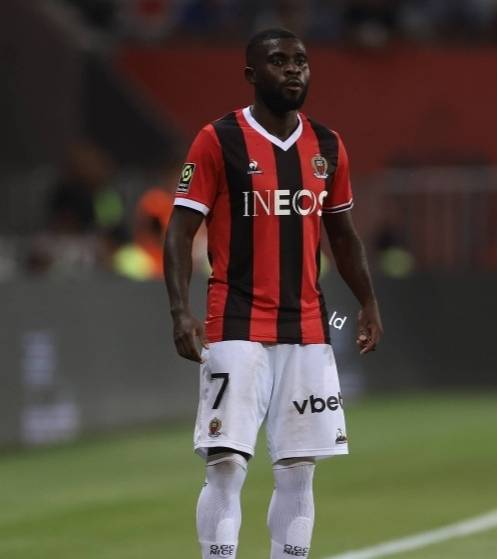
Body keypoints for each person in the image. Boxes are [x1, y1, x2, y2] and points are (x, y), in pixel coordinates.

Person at [163, 28, 383, 559]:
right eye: (279, 60)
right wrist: (180, 311)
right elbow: (179, 231)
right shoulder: (218, 140)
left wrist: (368, 301)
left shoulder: (327, 146)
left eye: (300, 60)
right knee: (225, 463)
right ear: (251, 74)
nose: (293, 70)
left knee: (298, 470)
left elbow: (342, 234)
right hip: (234, 324)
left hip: (307, 330)